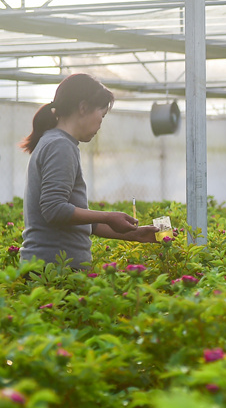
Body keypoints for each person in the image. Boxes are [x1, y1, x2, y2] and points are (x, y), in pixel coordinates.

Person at [19, 73, 159, 270]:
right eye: (101, 116)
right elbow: (54, 209)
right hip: (54, 271)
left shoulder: (55, 142)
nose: (100, 124)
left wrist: (134, 234)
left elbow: (78, 221)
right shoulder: (60, 145)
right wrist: (108, 216)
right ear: (83, 107)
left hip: (50, 268)